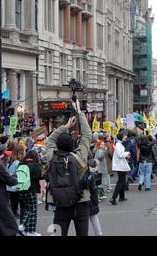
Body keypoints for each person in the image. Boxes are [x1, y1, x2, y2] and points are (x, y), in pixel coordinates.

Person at [44, 100, 92, 236]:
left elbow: (49, 141)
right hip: (81, 200)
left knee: (59, 233)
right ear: (72, 144)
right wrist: (80, 112)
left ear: (57, 145)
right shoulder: (80, 157)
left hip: (59, 202)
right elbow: (87, 135)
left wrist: (65, 126)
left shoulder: (51, 156)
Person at [17, 150, 43, 236]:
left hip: (21, 190)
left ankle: (23, 226)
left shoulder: (21, 164)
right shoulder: (35, 166)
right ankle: (31, 231)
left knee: (28, 209)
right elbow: (39, 176)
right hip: (31, 190)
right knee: (33, 211)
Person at [110, 131, 130, 205]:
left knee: (121, 181)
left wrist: (126, 154)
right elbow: (120, 155)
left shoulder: (119, 144)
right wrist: (127, 153)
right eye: (125, 135)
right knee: (121, 182)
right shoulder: (118, 144)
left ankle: (121, 197)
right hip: (120, 166)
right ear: (121, 136)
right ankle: (113, 198)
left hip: (120, 165)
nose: (126, 137)